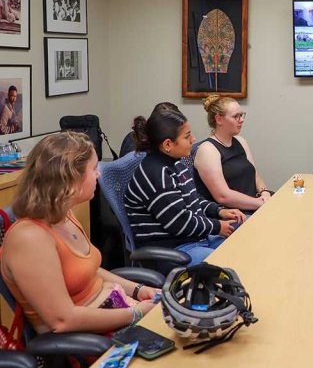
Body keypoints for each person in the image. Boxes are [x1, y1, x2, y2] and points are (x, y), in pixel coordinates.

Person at [0, 132, 159, 337]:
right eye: (93, 169)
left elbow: (87, 270)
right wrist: (136, 313)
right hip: (89, 341)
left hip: (116, 313)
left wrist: (138, 290)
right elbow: (62, 320)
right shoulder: (30, 238)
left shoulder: (63, 215)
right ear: (70, 178)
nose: (99, 174)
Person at [125, 108, 245, 265]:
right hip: (173, 251)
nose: (193, 139)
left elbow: (193, 200)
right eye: (187, 136)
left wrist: (219, 211)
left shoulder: (177, 163)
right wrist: (217, 226)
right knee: (231, 263)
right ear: (168, 144)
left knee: (244, 246)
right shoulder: (156, 174)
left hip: (195, 239)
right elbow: (180, 222)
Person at [194, 94, 270, 213]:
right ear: (219, 119)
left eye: (241, 115)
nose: (241, 120)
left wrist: (264, 192)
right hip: (234, 214)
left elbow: (255, 174)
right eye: (236, 116)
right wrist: (261, 203)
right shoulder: (207, 150)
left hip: (255, 205)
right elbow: (223, 196)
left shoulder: (241, 141)